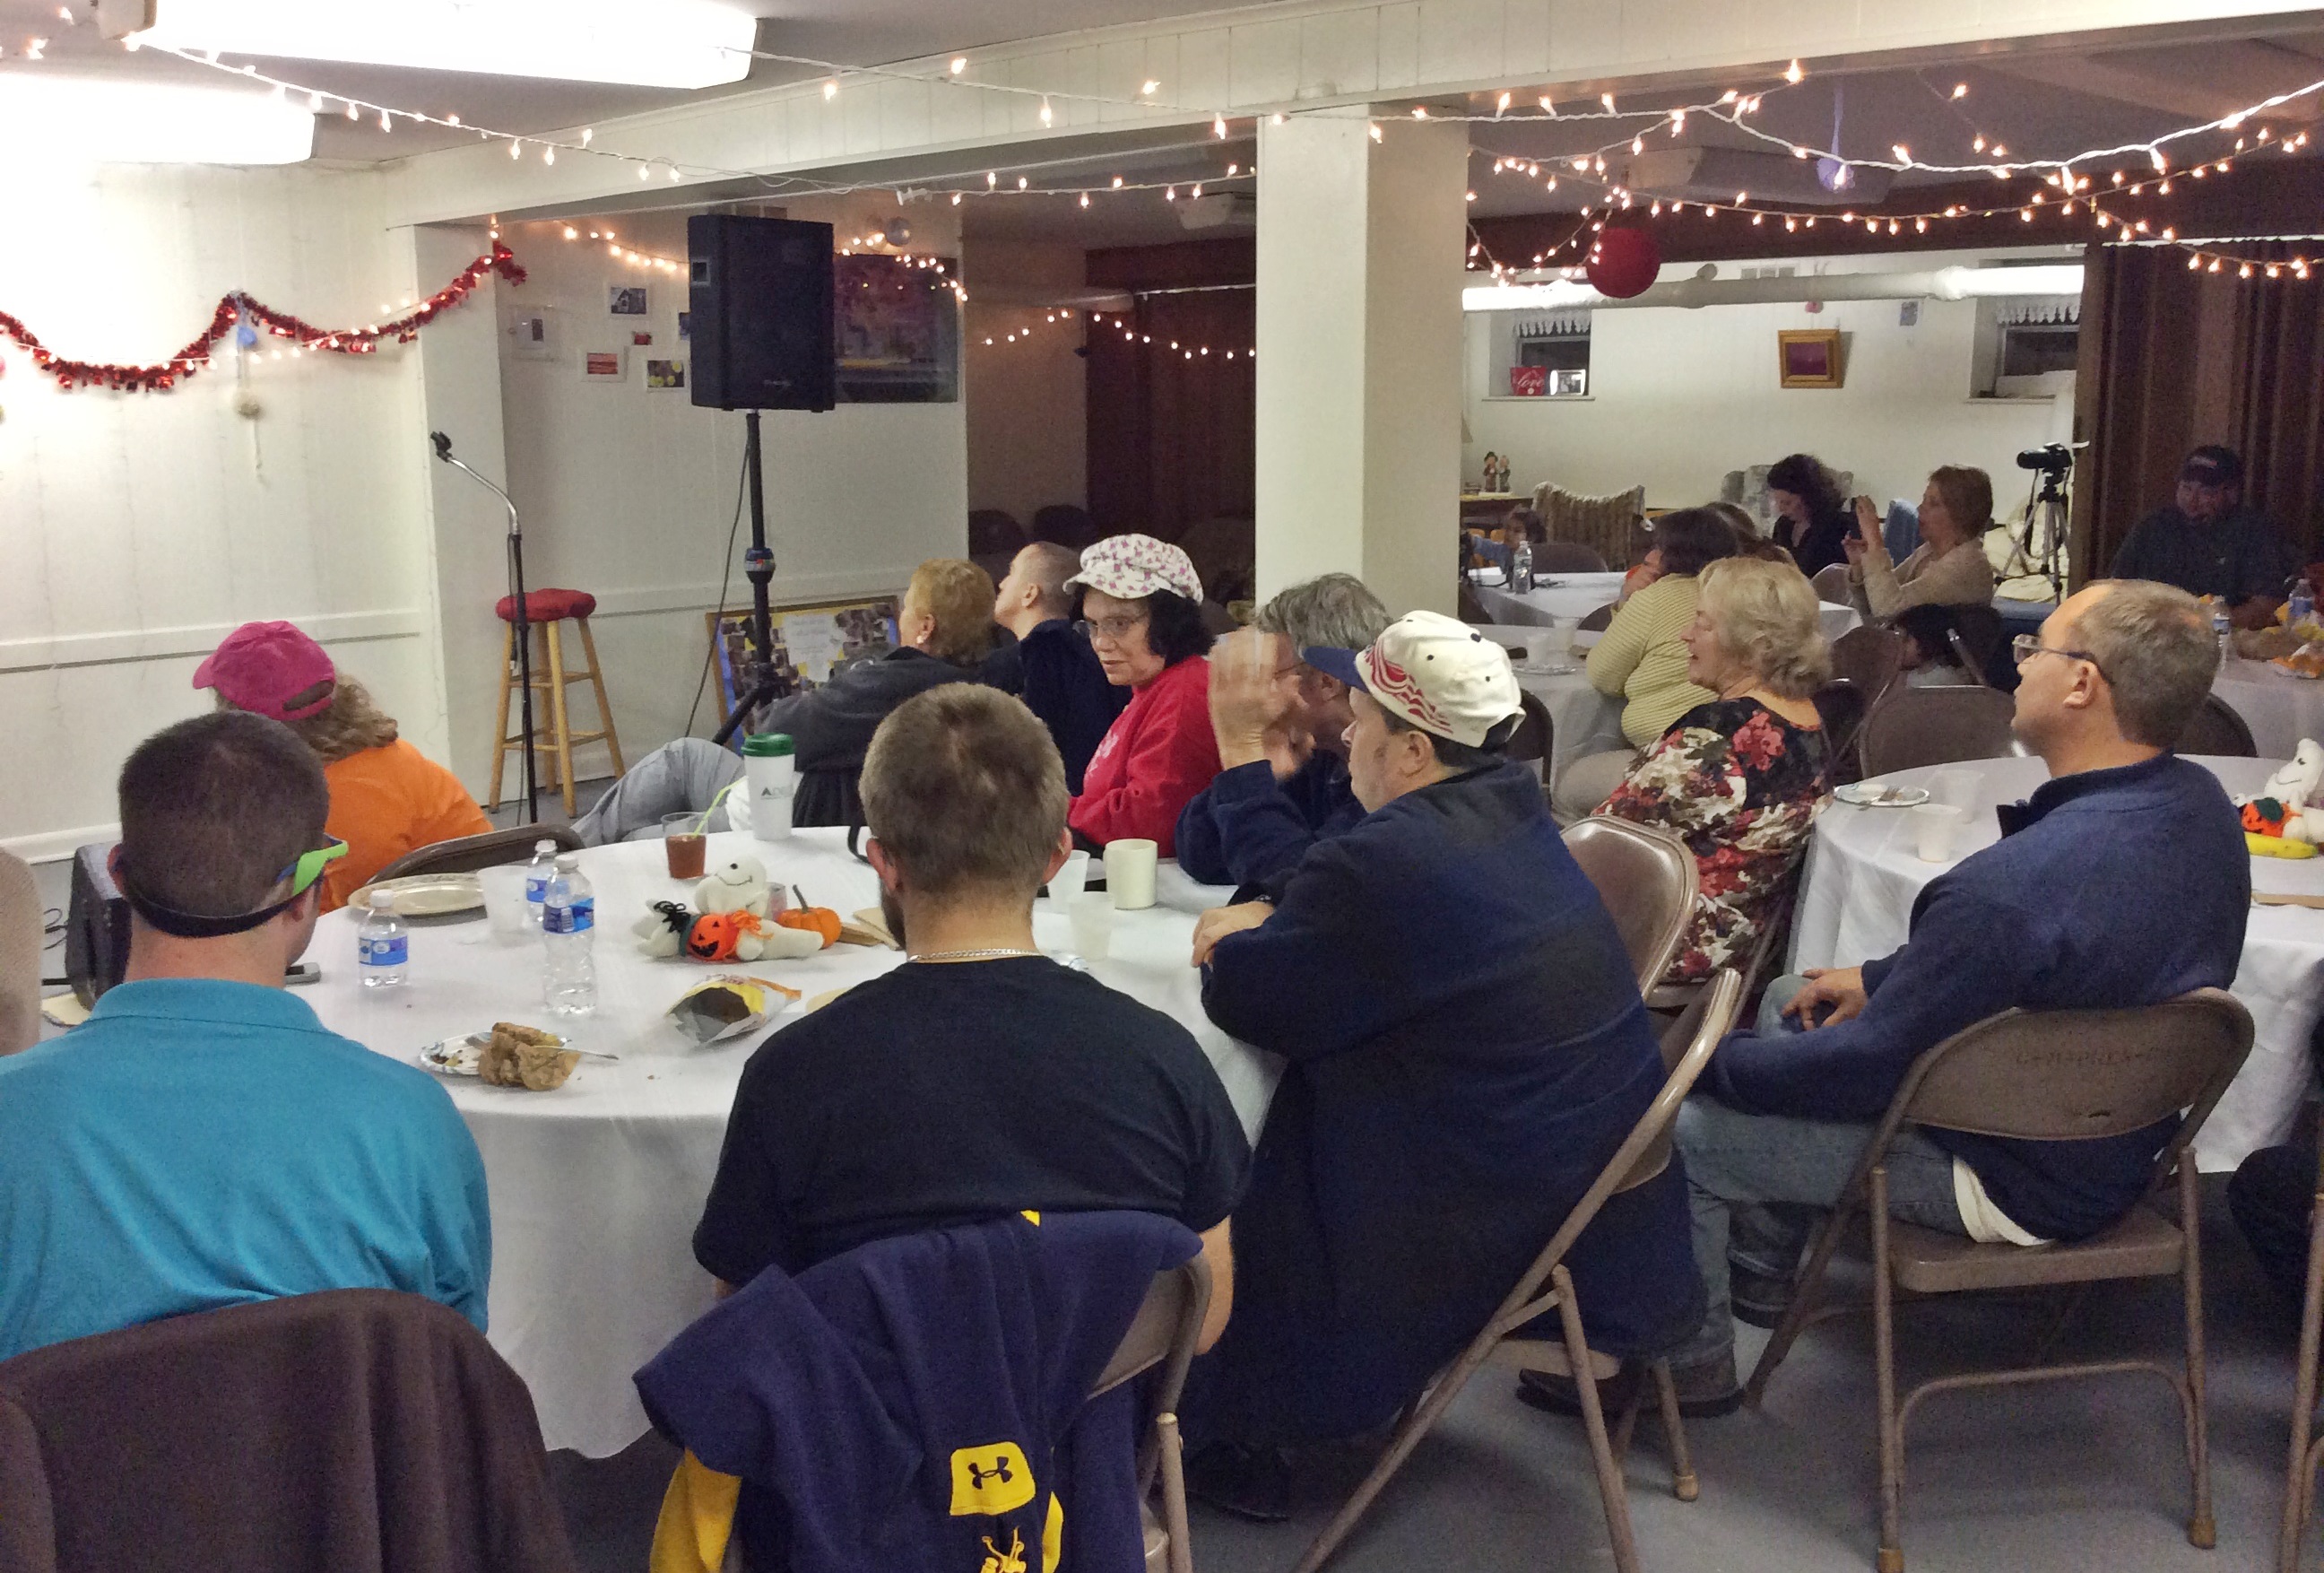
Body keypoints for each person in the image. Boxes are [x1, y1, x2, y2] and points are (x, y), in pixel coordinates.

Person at [1669, 579, 2245, 1412]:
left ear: (2083, 684)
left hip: (2016, 1174)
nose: (2020, 664)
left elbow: (1861, 1074)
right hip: (2123, 1140)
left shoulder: (2003, 890)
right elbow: (2071, 958)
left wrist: (1699, 1065)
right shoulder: (2201, 808)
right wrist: (1881, 980)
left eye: (2035, 648)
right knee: (1801, 994)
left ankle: (1689, 1371)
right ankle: (1761, 1272)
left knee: (1681, 1132)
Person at [1178, 613, 1699, 1515]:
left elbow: (1254, 1002)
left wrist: (1236, 941)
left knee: (1235, 1143)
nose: (1349, 737)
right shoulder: (1509, 814)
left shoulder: (1396, 859)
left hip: (1486, 1216)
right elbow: (1353, 911)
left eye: (1363, 721)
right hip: (1597, 1199)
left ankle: (1245, 1429)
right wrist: (1281, 914)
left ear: (1413, 750)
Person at [691, 685, 1247, 1344]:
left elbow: (742, 1318)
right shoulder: (1166, 1059)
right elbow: (1204, 1316)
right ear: (1056, 857)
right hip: (1090, 1407)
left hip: (871, 1408)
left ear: (884, 862)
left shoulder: (791, 1074)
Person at [0, 712, 490, 1361]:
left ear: (117, 874)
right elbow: (456, 1357)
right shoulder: (413, 1121)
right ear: (307, 893)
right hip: (350, 1433)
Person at [1595, 558, 1831, 983]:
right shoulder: (1806, 718)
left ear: (1753, 646)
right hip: (1748, 939)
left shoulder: (1717, 741)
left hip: (1670, 936)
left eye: (1702, 624)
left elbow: (1602, 843)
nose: (1685, 634)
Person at [198, 621, 489, 912]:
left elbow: (340, 914)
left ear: (241, 721)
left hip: (427, 924)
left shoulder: (335, 796)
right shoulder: (387, 758)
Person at [1173, 573, 1392, 891]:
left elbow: (1300, 890)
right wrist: (1265, 774)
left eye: (1268, 675)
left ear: (1326, 682)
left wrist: (1242, 751)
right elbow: (1200, 855)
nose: (1257, 691)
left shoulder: (1387, 772)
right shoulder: (1314, 753)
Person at [756, 558, 996, 827]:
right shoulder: (988, 686)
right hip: (941, 827)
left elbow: (773, 731)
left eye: (907, 607)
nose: (902, 616)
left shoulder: (883, 687)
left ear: (926, 627)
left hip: (843, 829)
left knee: (722, 779)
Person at [1557, 508, 1744, 821]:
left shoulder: (1656, 598)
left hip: (1672, 755)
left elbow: (1603, 675)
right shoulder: (1736, 597)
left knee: (1566, 787)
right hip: (1732, 753)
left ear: (1675, 553)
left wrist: (1628, 601)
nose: (1650, 555)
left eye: (1658, 546)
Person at [1065, 534, 1222, 854]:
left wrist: (1050, 811)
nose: (1101, 642)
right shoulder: (1155, 687)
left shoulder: (1185, 692)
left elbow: (1147, 821)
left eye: (1120, 623)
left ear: (1170, 622)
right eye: (1093, 625)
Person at [981, 539, 1126, 793]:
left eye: (1011, 572)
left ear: (1030, 593)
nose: (1001, 583)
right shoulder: (1088, 652)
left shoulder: (1043, 651)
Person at [2110, 445, 2299, 630]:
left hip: (2224, 638)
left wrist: (2204, 624)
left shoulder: (2255, 532)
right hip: (2149, 631)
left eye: (2206, 492)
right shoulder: (2152, 526)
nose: (2192, 500)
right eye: (2186, 488)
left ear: (2232, 493)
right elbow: (2114, 587)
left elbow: (2268, 606)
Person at [1845, 466, 1999, 619]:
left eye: (1933, 503)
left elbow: (1887, 610)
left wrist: (1874, 540)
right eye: (1924, 500)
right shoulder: (1929, 550)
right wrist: (1860, 567)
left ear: (1961, 516)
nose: (1920, 508)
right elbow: (1876, 604)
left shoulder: (1967, 566)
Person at [1765, 453, 1853, 578]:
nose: (1780, 508)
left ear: (1810, 497)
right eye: (1777, 501)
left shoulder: (1837, 527)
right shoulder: (1783, 525)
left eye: (1787, 502)